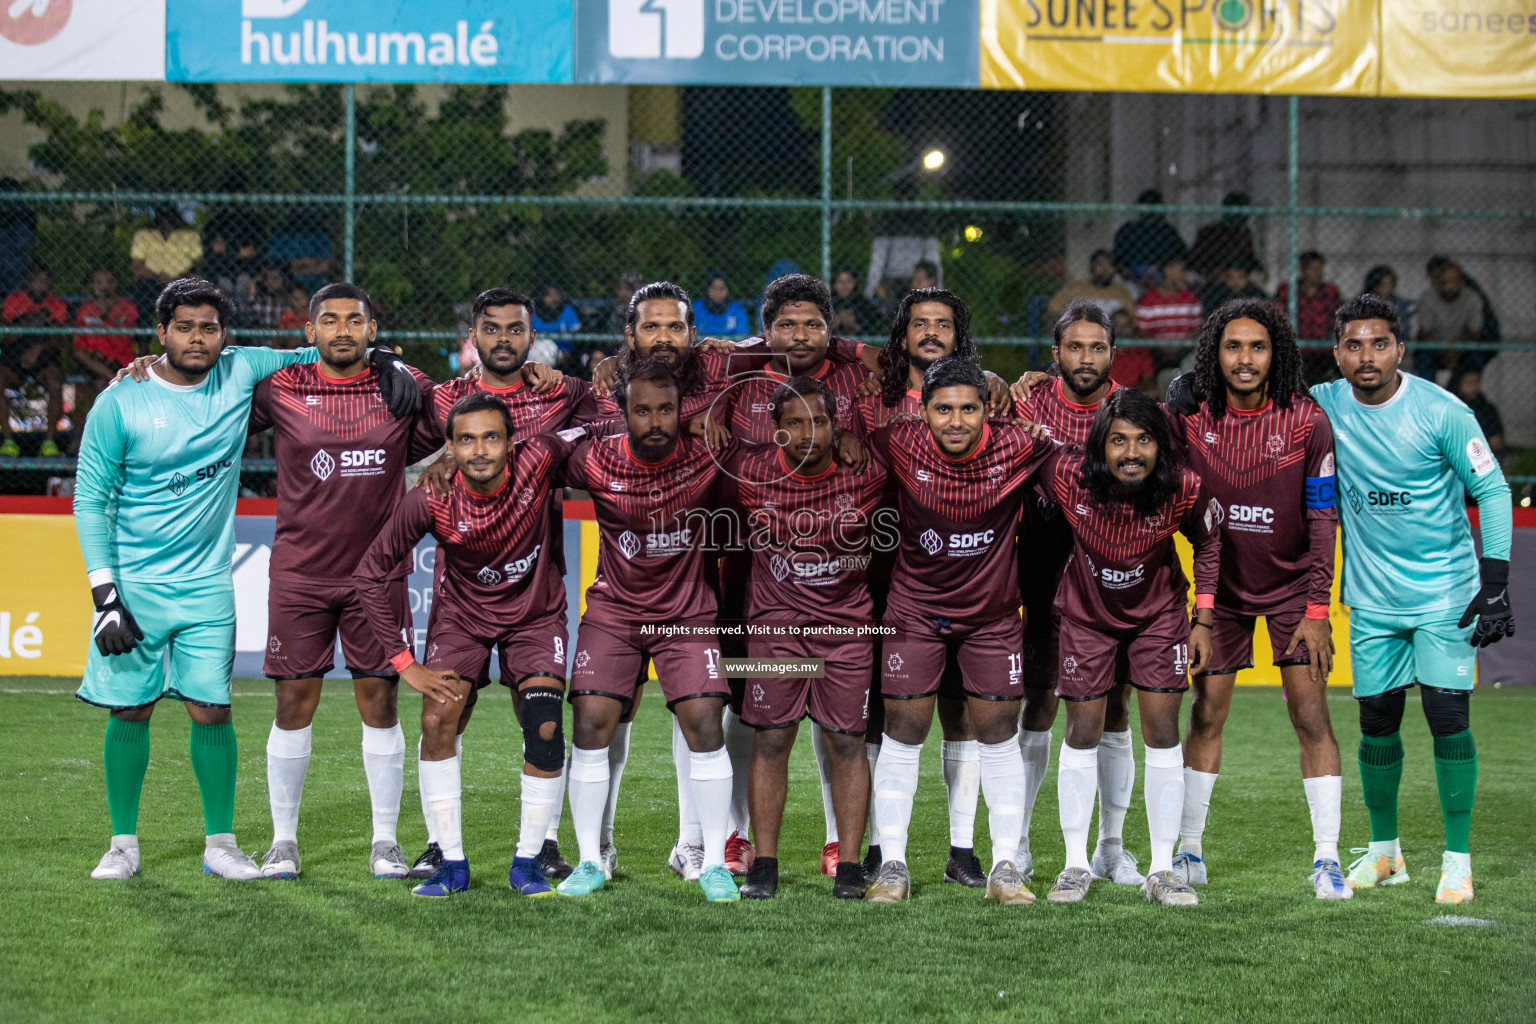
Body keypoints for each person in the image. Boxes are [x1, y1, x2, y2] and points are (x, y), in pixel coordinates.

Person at [72, 276, 418, 882]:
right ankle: (122, 844)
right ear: (161, 334)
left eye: (208, 327)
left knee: (212, 710)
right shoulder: (119, 401)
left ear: (224, 335)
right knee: (129, 710)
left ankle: (222, 844)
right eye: (184, 328)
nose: (198, 338)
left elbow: (325, 349)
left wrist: (388, 358)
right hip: (135, 583)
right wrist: (104, 594)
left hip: (208, 583)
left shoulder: (241, 370)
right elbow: (87, 499)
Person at [1312, 293, 1513, 905]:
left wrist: (1496, 583)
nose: (1366, 357)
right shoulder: (1323, 405)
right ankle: (1385, 855)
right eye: (1354, 345)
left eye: (1379, 344)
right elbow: (1253, 395)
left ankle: (1457, 860)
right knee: (1377, 726)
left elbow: (1494, 488)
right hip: (1371, 600)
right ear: (1338, 354)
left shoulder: (1442, 412)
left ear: (1400, 349)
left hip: (1444, 595)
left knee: (1448, 719)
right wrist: (1189, 388)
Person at [246, 282, 441, 883]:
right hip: (301, 574)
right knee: (291, 704)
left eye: (354, 321)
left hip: (377, 577)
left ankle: (385, 842)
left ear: (371, 331)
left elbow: (469, 407)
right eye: (328, 321)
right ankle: (283, 843)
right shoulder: (280, 388)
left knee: (379, 702)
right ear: (309, 332)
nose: (341, 331)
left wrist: (400, 366)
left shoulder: (400, 390)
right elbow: (212, 388)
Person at [354, 394, 584, 899]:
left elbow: (592, 430)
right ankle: (450, 862)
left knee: (545, 727)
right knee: (437, 720)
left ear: (511, 441)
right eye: (465, 439)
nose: (479, 450)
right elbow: (372, 571)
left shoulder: (540, 458)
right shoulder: (430, 498)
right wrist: (403, 662)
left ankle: (527, 861)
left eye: (491, 437)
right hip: (463, 619)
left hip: (535, 614)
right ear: (450, 447)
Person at [410, 287, 603, 884]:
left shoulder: (559, 392)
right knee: (445, 717)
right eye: (490, 329)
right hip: (462, 592)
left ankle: (542, 844)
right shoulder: (443, 396)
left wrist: (604, 370)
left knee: (539, 719)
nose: (502, 340)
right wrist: (433, 460)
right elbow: (401, 447)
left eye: (514, 330)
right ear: (473, 333)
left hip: (535, 589)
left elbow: (614, 416)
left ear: (531, 334)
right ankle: (444, 846)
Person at [1162, 299, 1349, 899]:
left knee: (1310, 716)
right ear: (1215, 355)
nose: (1245, 359)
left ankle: (1327, 859)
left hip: (1295, 591)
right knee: (1207, 714)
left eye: (1258, 347)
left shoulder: (1306, 421)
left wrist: (1318, 611)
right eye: (1233, 347)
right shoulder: (1192, 419)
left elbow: (1323, 519)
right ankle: (1189, 850)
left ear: (1277, 355)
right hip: (1223, 596)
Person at [863, 358, 1055, 906]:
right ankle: (893, 865)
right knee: (903, 729)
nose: (955, 420)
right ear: (921, 412)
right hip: (915, 612)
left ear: (986, 410)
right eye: (942, 408)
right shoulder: (896, 443)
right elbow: (845, 445)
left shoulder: (1021, 445)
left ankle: (1004, 868)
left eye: (968, 408)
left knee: (998, 735)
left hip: (992, 618)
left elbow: (1080, 464)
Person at [707, 273, 875, 879]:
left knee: (846, 734)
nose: (800, 334)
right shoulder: (734, 375)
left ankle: (845, 851)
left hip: (845, 609)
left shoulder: (857, 381)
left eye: (813, 324)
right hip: (754, 598)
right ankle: (738, 843)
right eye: (786, 324)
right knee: (747, 718)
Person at [557, 357, 742, 903]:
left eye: (667, 409)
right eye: (643, 411)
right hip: (614, 615)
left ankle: (712, 863)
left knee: (705, 724)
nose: (655, 420)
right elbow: (537, 447)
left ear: (684, 410)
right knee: (592, 723)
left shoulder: (710, 455)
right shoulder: (594, 458)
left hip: (687, 615)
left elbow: (771, 446)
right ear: (624, 413)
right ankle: (591, 860)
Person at [1034, 388, 1221, 907]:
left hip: (1158, 618)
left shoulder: (1183, 488)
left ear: (1160, 446)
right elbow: (1020, 445)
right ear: (1101, 446)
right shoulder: (1069, 477)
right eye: (1118, 441)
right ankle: (1075, 865)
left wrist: (1202, 620)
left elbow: (1209, 544)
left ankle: (1163, 870)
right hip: (1086, 617)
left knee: (1162, 731)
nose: (1131, 453)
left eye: (1143, 441)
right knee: (1082, 729)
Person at [858, 288, 1013, 891]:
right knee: (888, 719)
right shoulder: (879, 399)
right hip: (889, 577)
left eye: (942, 325)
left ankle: (963, 849)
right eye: (918, 325)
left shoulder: (990, 402)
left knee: (964, 717)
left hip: (976, 586)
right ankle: (878, 848)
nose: (930, 334)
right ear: (901, 337)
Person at [723, 376, 888, 900]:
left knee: (847, 742)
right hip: (775, 627)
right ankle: (764, 866)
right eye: (793, 422)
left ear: (837, 427)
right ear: (775, 431)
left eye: (818, 421)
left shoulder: (869, 473)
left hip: (846, 630)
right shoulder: (748, 473)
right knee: (771, 740)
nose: (807, 432)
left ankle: (849, 866)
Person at [1009, 300, 1141, 891]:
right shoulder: (1023, 402)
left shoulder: (1131, 412)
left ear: (1112, 353)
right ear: (1056, 352)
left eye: (1097, 347)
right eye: (1075, 347)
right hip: (1037, 575)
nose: (1085, 358)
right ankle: (1018, 843)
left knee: (1113, 710)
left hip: (1108, 582)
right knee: (1036, 707)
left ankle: (1111, 846)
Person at [1, 263, 67, 456]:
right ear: (28, 282)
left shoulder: (57, 304)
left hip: (44, 353)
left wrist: (37, 348)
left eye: (44, 281)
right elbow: (7, 337)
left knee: (56, 382)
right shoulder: (14, 301)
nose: (40, 285)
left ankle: (49, 443)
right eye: (36, 281)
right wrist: (26, 324)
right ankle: (8, 441)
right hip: (15, 352)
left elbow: (57, 339)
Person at [73, 268, 140, 421]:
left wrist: (105, 315)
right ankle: (113, 377)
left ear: (115, 284)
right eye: (98, 282)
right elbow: (79, 344)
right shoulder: (86, 309)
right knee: (94, 373)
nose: (103, 287)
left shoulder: (128, 308)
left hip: (120, 358)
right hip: (94, 360)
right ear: (93, 285)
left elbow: (126, 338)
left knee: (102, 384)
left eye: (108, 282)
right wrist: (94, 351)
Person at [1414, 259, 1487, 381]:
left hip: (1463, 347)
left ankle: (1466, 395)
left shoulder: (1472, 298)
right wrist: (1442, 353)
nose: (1448, 286)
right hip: (1435, 348)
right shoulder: (1428, 297)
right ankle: (1429, 396)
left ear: (1461, 282)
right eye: (1444, 281)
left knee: (1476, 355)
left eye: (1453, 281)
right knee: (1423, 357)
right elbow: (1424, 334)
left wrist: (1457, 352)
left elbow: (1475, 333)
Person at [1274, 250, 1342, 382]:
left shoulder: (1330, 291)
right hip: (1296, 350)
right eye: (1313, 268)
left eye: (1320, 268)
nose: (1317, 273)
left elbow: (1337, 318)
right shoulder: (1288, 290)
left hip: (1324, 351)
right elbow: (1278, 317)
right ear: (1303, 270)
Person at [1046, 249, 1137, 338]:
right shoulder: (1076, 288)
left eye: (1109, 265)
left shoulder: (1121, 293)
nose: (1105, 269)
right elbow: (1052, 312)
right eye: (1100, 264)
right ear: (1091, 268)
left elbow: (1132, 322)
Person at [130, 208, 203, 316]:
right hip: (152, 281)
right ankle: (144, 328)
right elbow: (136, 265)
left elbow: (198, 263)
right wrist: (158, 277)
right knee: (144, 295)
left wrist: (180, 277)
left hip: (183, 280)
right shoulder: (143, 234)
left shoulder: (189, 234)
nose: (166, 220)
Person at [1112, 189, 1187, 287]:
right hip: (1132, 279)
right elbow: (1118, 261)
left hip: (1163, 277)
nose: (1151, 213)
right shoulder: (1128, 230)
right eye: (1147, 207)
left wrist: (1164, 276)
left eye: (1155, 207)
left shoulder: (1168, 230)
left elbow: (1181, 257)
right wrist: (1135, 279)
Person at [1188, 192, 1257, 283]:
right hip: (1213, 281)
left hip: (1239, 281)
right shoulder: (1209, 232)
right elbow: (1195, 262)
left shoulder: (1244, 233)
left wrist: (1242, 273)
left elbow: (1250, 259)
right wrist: (1214, 272)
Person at [267, 211, 332, 294]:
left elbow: (324, 266)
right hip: (289, 280)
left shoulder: (319, 234)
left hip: (314, 280)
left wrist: (300, 267)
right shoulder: (281, 235)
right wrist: (307, 264)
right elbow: (285, 266)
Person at [1451, 370, 1507, 464]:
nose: (1474, 387)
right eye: (1469, 383)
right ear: (1459, 384)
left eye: (1477, 382)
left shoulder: (1487, 408)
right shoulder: (1452, 407)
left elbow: (1496, 439)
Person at [0, 177, 37, 298]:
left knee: (16, 298)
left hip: (15, 266)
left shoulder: (24, 217)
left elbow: (26, 243)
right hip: (10, 263)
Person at [1200, 256, 1267, 316]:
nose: (1235, 282)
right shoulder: (1215, 294)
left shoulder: (1258, 296)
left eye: (1240, 277)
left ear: (1248, 278)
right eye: (1231, 277)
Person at [1363, 265, 1413, 341]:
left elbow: (1404, 330)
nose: (1388, 289)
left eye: (1390, 285)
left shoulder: (1399, 304)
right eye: (1383, 285)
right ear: (1375, 286)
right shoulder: (1364, 302)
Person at [692, 270, 750, 337]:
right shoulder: (696, 308)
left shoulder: (737, 309)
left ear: (727, 290)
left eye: (722, 288)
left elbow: (743, 336)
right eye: (714, 288)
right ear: (707, 289)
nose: (718, 293)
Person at [830, 266, 881, 336]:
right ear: (834, 284)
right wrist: (836, 323)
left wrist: (854, 325)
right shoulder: (830, 303)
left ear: (855, 283)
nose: (844, 285)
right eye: (840, 281)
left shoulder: (862, 303)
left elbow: (871, 329)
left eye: (848, 281)